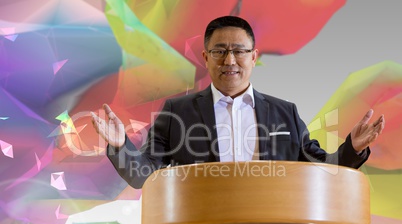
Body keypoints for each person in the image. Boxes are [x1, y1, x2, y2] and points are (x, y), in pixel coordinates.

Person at [91, 16, 385, 189]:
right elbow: (145, 176)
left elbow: (319, 169)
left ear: (254, 56)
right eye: (219, 51)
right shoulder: (177, 112)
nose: (229, 60)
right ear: (205, 58)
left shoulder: (285, 112)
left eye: (239, 51)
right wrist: (120, 146)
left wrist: (353, 148)